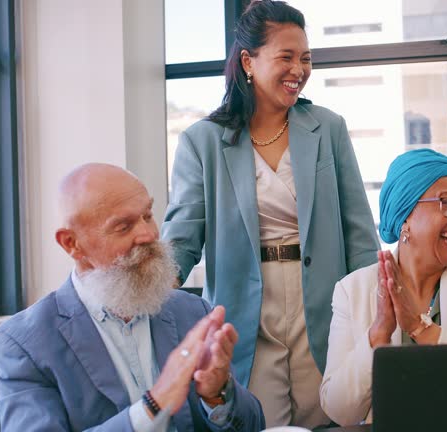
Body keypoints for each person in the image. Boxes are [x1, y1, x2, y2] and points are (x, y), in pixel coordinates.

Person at [161, 1, 379, 427]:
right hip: (247, 312)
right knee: (261, 421)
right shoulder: (201, 141)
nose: (298, 69)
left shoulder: (327, 127)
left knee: (334, 416)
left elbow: (359, 233)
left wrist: (371, 318)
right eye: (286, 57)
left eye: (305, 59)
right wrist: (142, 297)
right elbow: (181, 240)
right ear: (248, 61)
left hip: (323, 302)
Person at [0, 164, 265, 432]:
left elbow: (253, 425)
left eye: (147, 215)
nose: (148, 234)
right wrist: (153, 405)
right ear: (71, 243)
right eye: (123, 226)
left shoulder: (191, 311)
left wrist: (217, 394)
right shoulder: (24, 343)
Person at [319, 149, 447, 426]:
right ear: (406, 217)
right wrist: (377, 335)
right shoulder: (351, 290)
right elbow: (340, 411)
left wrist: (420, 327)